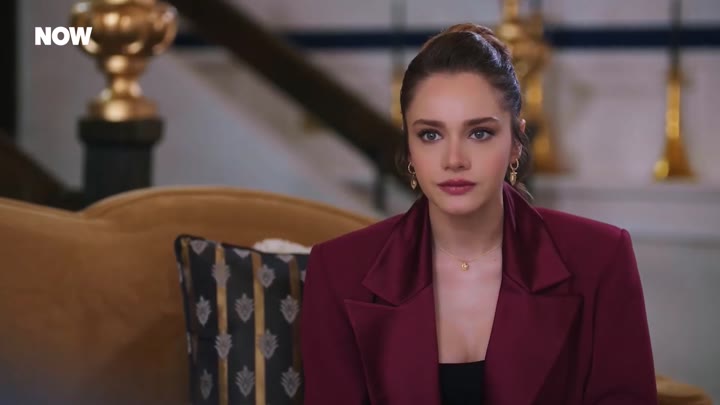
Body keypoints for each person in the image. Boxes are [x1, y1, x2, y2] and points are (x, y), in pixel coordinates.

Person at [300, 23, 657, 405]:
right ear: (409, 146)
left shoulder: (601, 258)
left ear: (516, 142)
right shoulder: (337, 271)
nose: (454, 160)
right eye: (430, 135)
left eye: (480, 133)